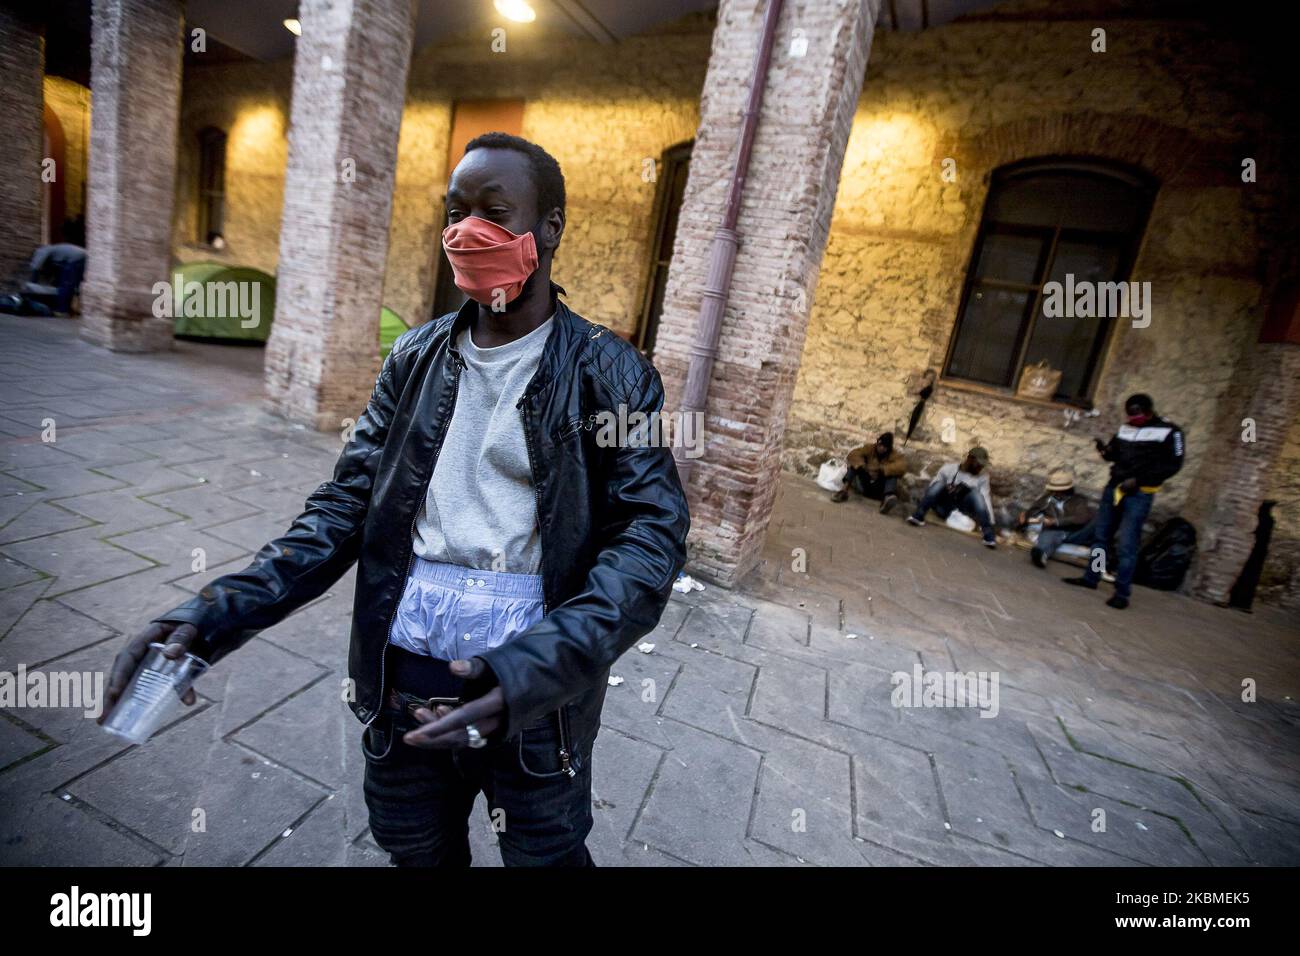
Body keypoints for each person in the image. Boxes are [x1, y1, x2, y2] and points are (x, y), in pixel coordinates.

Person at [101, 133, 691, 867]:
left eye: (494, 213)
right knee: (415, 849)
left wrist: (535, 670)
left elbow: (649, 537)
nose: (467, 231)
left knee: (546, 855)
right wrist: (216, 614)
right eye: (456, 211)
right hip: (402, 680)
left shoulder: (613, 373)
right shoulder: (413, 358)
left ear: (549, 229)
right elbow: (342, 509)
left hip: (537, 695)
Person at [1064, 393, 1184, 609]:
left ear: (1148, 411)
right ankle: (1092, 577)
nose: (1132, 418)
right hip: (1114, 488)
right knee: (1101, 537)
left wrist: (1139, 480)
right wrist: (1105, 451)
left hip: (1139, 493)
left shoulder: (1170, 432)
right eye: (1129, 414)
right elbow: (1115, 454)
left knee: (1127, 544)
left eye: (1136, 414)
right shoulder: (1125, 428)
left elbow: (1173, 465)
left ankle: (1122, 592)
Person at [906, 446, 998, 548]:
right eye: (978, 464)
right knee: (939, 484)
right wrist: (947, 488)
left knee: (976, 494)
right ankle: (918, 516)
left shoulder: (983, 477)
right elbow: (932, 488)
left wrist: (991, 522)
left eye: (982, 466)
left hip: (962, 511)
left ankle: (988, 534)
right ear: (970, 459)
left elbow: (985, 499)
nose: (980, 468)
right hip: (944, 507)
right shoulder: (949, 469)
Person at [1019, 467, 1093, 568]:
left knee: (1097, 525)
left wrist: (1056, 521)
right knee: (1047, 539)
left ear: (1067, 490)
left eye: (1060, 491)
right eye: (1054, 490)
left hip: (1074, 533)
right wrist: (1024, 519)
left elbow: (1081, 518)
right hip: (1053, 531)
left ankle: (1102, 560)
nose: (1056, 493)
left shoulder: (1078, 500)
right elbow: (1032, 512)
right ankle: (1040, 555)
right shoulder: (1046, 499)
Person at [832, 431, 907, 512]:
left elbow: (902, 467)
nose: (881, 448)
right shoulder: (870, 448)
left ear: (889, 448)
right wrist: (864, 466)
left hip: (879, 489)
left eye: (885, 447)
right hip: (864, 484)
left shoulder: (894, 455)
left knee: (893, 475)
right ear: (877, 443)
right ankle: (843, 492)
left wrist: (881, 469)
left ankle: (886, 499)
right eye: (880, 445)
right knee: (854, 466)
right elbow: (853, 454)